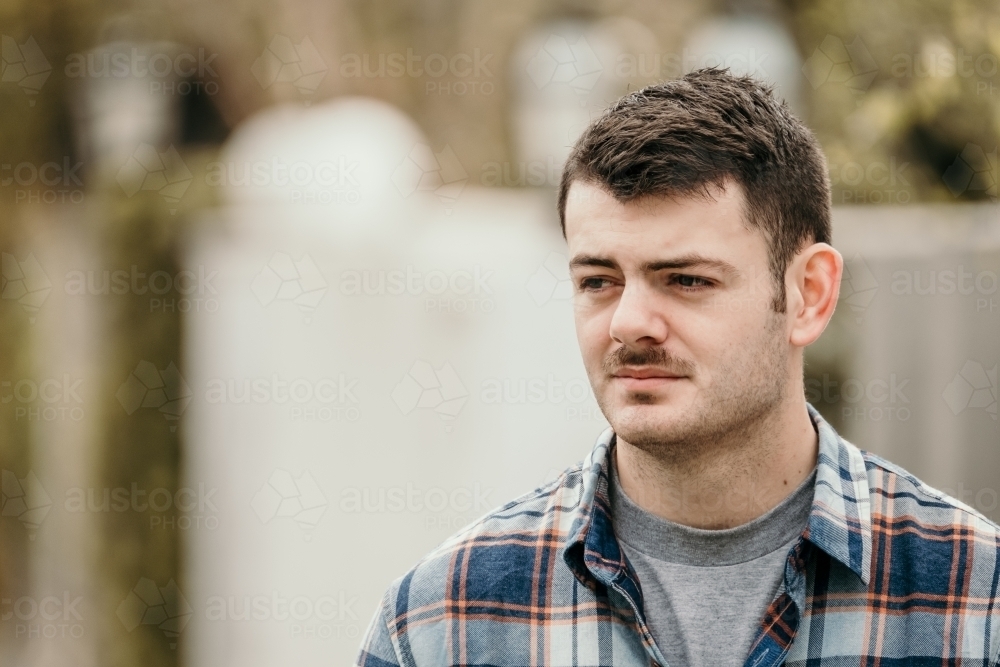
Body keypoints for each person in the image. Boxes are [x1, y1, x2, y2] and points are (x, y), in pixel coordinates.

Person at [356, 69, 1000, 667]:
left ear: (810, 294)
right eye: (599, 280)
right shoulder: (443, 624)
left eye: (686, 279)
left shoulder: (975, 602)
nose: (629, 322)